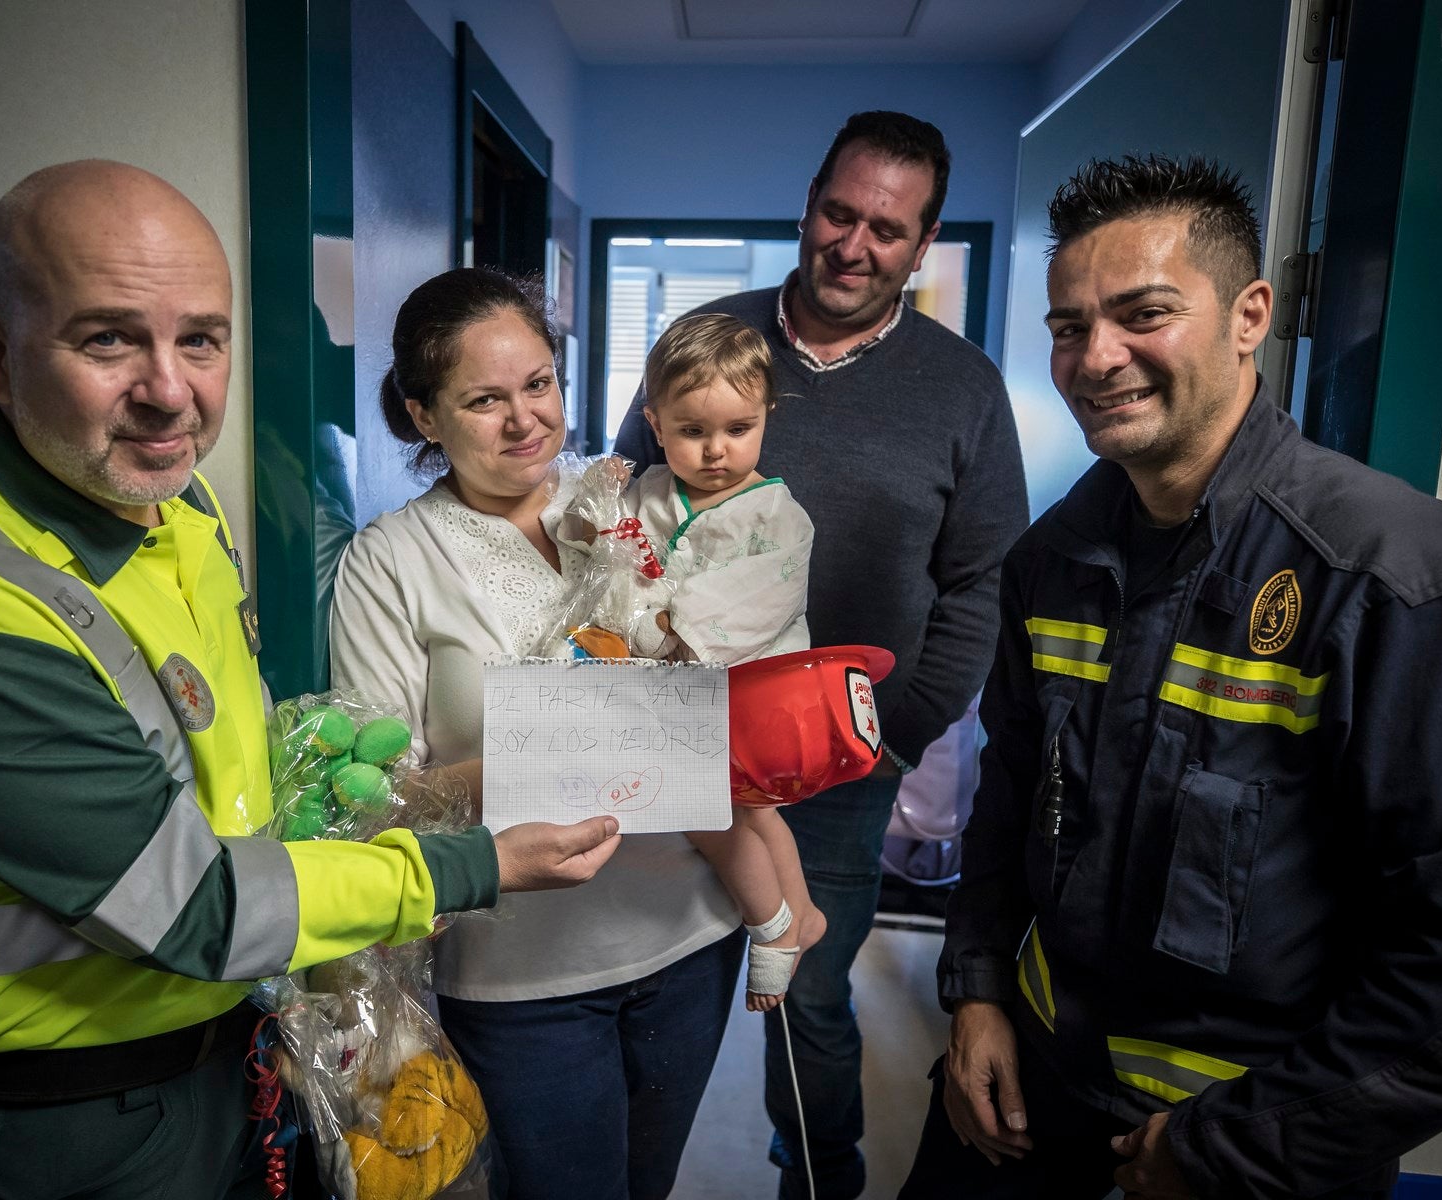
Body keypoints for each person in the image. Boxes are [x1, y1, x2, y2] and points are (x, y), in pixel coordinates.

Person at [0, 161, 621, 1200]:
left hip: (218, 1059)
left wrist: (316, 773)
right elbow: (194, 904)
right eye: (109, 339)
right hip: (49, 1121)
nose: (168, 391)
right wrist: (469, 864)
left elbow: (216, 770)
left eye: (201, 339)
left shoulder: (175, 507)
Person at [899, 153, 1442, 1200]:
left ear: (1250, 315)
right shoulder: (1051, 560)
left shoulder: (1398, 584)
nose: (1096, 358)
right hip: (1028, 1094)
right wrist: (979, 991)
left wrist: (1243, 1145)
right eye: (1070, 328)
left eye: (1144, 314)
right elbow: (1013, 797)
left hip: (1248, 1146)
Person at [614, 109, 1029, 1200]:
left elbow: (985, 579)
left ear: (923, 244)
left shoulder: (963, 388)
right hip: (675, 728)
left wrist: (899, 733)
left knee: (806, 994)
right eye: (840, 214)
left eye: (887, 230)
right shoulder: (709, 338)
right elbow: (625, 498)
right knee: (652, 969)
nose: (854, 245)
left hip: (842, 753)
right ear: (808, 205)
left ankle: (819, 1178)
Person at [329, 267, 745, 1200]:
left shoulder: (634, 499)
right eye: (484, 400)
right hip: (522, 973)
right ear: (423, 416)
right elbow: (379, 795)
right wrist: (546, 749)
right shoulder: (391, 562)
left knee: (651, 1184)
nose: (525, 420)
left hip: (690, 927)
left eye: (539, 383)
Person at [591, 312, 825, 1013]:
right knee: (753, 816)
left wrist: (666, 624)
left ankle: (773, 924)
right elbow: (607, 556)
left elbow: (753, 603)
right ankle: (801, 910)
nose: (717, 450)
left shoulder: (777, 516)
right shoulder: (649, 491)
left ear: (767, 415)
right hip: (669, 692)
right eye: (692, 431)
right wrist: (597, 503)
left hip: (743, 689)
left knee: (718, 811)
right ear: (655, 424)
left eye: (738, 429)